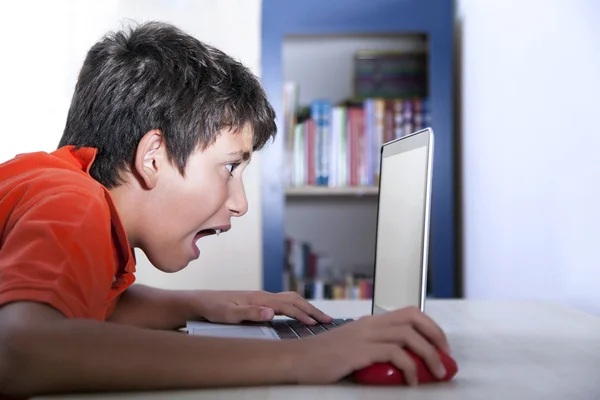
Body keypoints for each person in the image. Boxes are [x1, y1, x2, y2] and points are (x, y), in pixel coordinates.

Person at [0, 21, 451, 398]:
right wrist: (302, 357)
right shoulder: (72, 203)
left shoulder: (60, 187)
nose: (240, 202)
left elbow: (86, 306)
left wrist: (203, 304)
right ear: (152, 157)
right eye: (230, 167)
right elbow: (20, 347)